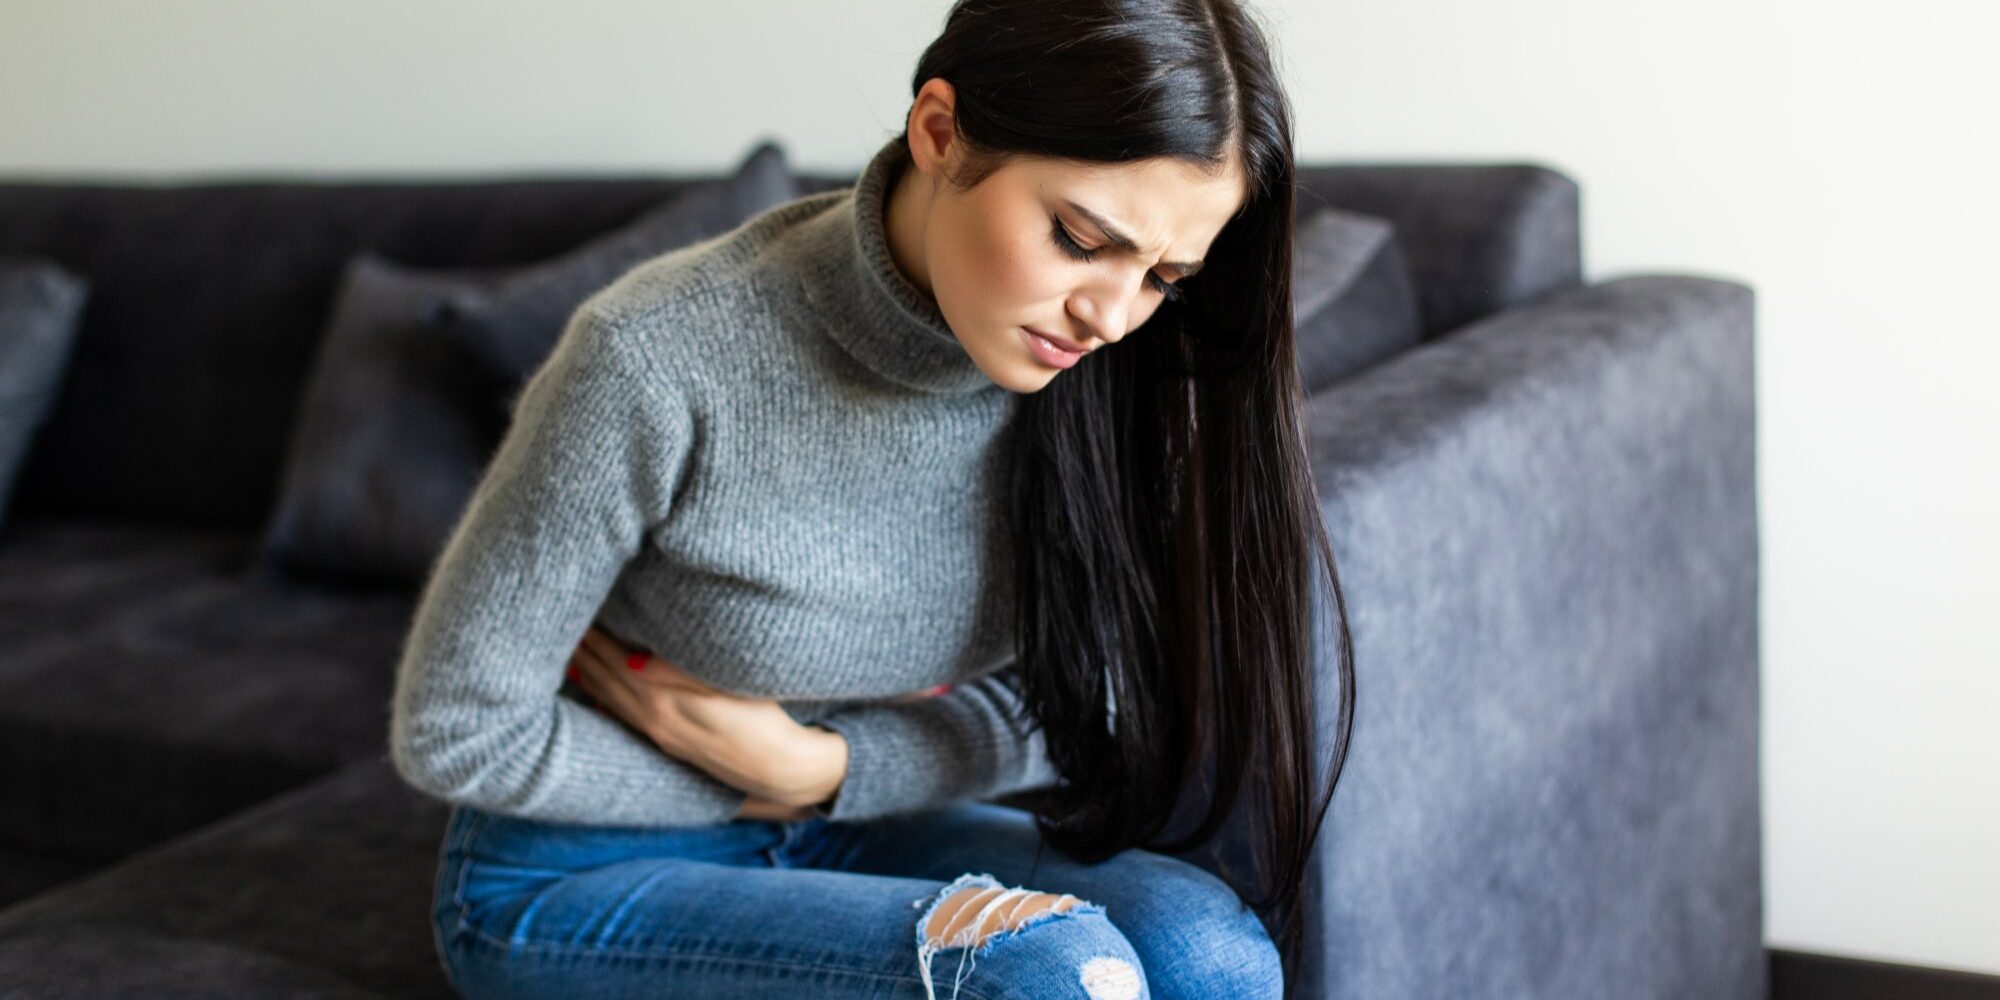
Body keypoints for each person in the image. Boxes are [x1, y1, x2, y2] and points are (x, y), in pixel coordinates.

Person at [388, 0, 1355, 996]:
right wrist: (750, 784)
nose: (1111, 315)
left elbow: (1083, 699)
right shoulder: (652, 358)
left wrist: (821, 771)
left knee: (1212, 956)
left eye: (1163, 276)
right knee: (1044, 975)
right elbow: (455, 728)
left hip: (852, 820)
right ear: (938, 132)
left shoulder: (1108, 379)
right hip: (569, 869)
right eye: (1078, 238)